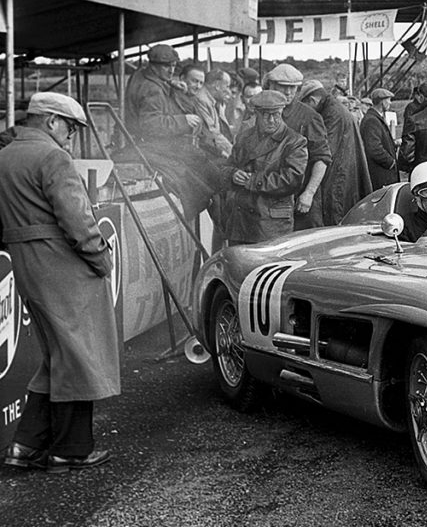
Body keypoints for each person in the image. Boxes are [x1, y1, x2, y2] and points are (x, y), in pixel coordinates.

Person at [0, 93, 119, 473]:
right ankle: (71, 449)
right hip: (62, 265)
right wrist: (101, 258)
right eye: (69, 127)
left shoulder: (5, 155)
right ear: (51, 121)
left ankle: (26, 446)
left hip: (27, 263)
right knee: (79, 356)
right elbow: (78, 218)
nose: (70, 137)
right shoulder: (52, 157)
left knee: (56, 356)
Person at [123, 44, 222, 219]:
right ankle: (195, 217)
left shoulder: (142, 75)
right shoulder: (152, 89)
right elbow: (150, 125)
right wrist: (183, 120)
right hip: (151, 148)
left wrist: (171, 84)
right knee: (204, 175)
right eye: (166, 66)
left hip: (144, 145)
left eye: (174, 65)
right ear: (153, 65)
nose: (171, 70)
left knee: (202, 164)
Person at [219, 90, 308, 245]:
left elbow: (292, 179)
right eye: (266, 115)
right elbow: (227, 167)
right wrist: (233, 174)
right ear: (256, 114)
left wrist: (252, 181)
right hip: (240, 222)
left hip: (269, 225)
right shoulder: (244, 137)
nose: (272, 120)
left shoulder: (294, 141)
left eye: (276, 114)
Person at [264, 64, 332, 230]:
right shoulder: (260, 113)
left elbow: (321, 159)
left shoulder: (309, 117)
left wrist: (309, 194)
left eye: (293, 88)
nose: (288, 93)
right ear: (271, 85)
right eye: (283, 87)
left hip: (301, 202)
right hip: (268, 200)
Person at [297, 79, 372, 225]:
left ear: (312, 100)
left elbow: (325, 151)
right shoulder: (334, 107)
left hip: (339, 176)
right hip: (345, 171)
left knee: (335, 220)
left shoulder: (331, 113)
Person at [361, 87, 401, 191]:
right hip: (380, 174)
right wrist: (390, 162)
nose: (390, 103)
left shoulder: (375, 118)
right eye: (388, 100)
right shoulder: (372, 121)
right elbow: (374, 149)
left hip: (382, 172)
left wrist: (393, 143)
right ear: (382, 101)